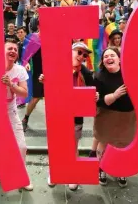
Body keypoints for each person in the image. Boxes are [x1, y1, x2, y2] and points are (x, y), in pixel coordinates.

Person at [42, 42, 95, 191]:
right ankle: (54, 173)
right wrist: (44, 80)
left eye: (84, 55)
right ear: (70, 51)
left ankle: (72, 175)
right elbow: (49, 87)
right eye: (79, 52)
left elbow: (92, 92)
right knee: (56, 146)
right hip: (58, 114)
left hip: (76, 116)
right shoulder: (58, 67)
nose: (82, 57)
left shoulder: (85, 72)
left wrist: (94, 95)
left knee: (73, 146)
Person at [0, 39, 33, 191]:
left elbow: (25, 93)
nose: (13, 51)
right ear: (2, 51)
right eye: (9, 48)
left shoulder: (20, 70)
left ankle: (23, 176)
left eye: (15, 49)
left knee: (22, 146)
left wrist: (11, 85)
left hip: (11, 112)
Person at [93, 47, 132, 187]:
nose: (109, 58)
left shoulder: (130, 72)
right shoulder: (98, 76)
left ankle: (120, 170)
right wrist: (114, 96)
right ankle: (101, 169)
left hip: (128, 116)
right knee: (104, 142)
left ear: (119, 58)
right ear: (103, 61)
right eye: (105, 56)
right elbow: (97, 100)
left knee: (123, 144)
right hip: (106, 115)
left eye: (112, 55)